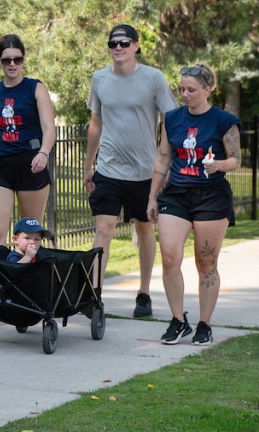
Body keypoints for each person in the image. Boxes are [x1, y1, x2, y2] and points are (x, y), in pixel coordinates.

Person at [83, 24, 177, 317]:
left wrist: (165, 162)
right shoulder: (99, 79)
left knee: (144, 228)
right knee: (103, 229)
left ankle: (144, 293)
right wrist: (88, 165)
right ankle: (94, 295)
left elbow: (170, 120)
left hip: (145, 171)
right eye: (113, 43)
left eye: (124, 43)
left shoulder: (153, 78)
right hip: (109, 168)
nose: (119, 47)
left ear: (136, 46)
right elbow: (96, 124)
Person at [146, 64, 240, 346]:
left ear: (208, 89)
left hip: (211, 195)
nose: (185, 94)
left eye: (191, 90)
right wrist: (152, 196)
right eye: (182, 89)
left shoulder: (224, 120)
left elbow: (236, 159)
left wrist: (219, 164)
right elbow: (164, 157)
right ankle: (178, 320)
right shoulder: (172, 118)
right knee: (170, 257)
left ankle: (204, 324)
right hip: (176, 194)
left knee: (206, 261)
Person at [0, 34, 56, 249]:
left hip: (30, 165)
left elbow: (49, 128)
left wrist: (43, 152)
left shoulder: (36, 88)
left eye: (17, 59)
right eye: (7, 60)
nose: (12, 64)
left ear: (23, 59)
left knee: (30, 236)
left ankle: (28, 272)